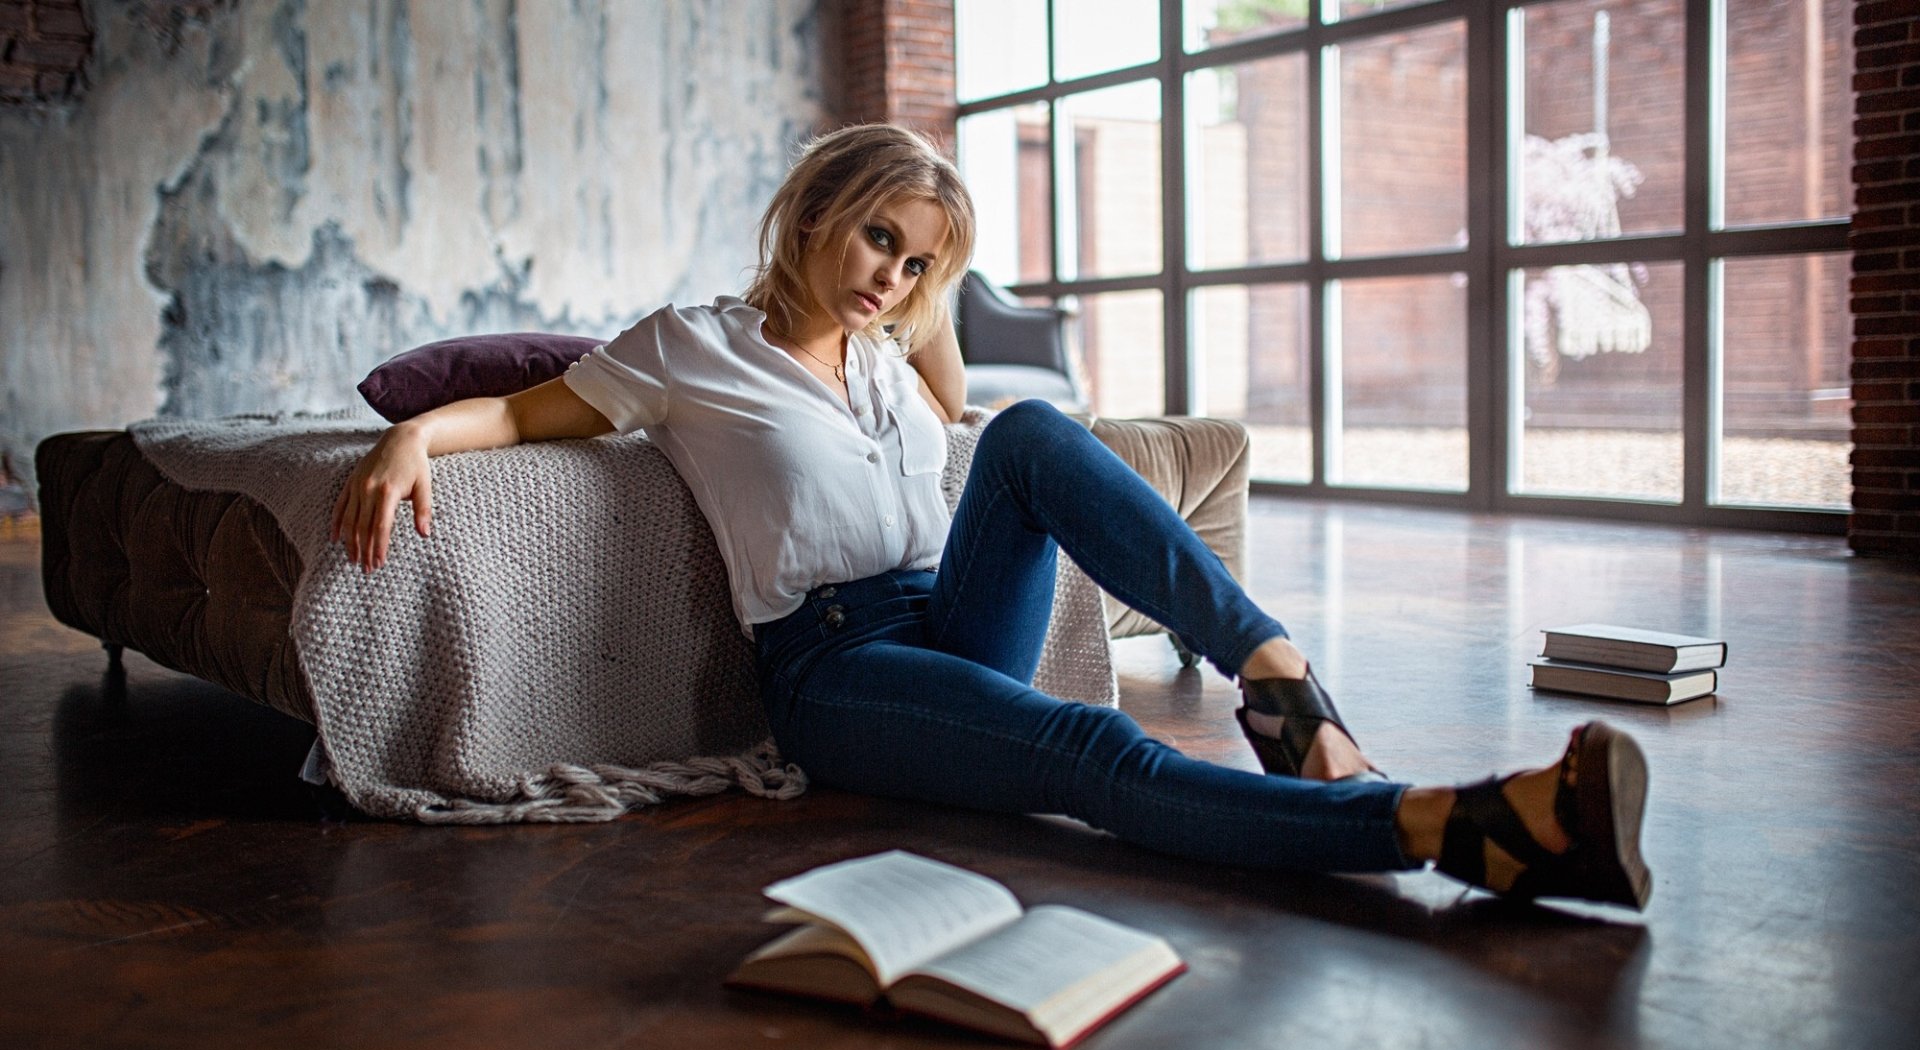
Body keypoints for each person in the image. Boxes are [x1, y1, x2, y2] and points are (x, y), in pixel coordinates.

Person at [331, 123, 1651, 910]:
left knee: (1026, 434)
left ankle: (1276, 678)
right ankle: (1450, 828)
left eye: (915, 262)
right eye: (875, 242)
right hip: (837, 668)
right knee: (1090, 745)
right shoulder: (691, 345)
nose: (889, 277)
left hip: (950, 617)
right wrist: (411, 432)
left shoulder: (898, 354)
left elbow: (983, 415)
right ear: (815, 216)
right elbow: (521, 412)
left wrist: (927, 297)